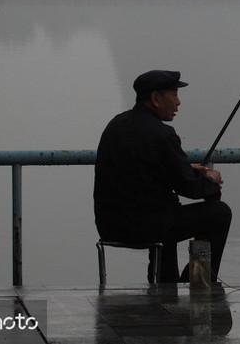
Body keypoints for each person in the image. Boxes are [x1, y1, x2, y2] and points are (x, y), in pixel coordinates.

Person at [94, 69, 232, 283]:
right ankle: (196, 278)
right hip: (148, 226)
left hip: (111, 225)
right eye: (174, 94)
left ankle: (165, 282)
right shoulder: (162, 134)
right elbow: (190, 188)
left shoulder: (115, 126)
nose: (178, 103)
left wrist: (188, 168)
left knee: (166, 215)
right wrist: (211, 181)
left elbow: (145, 171)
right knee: (219, 213)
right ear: (156, 98)